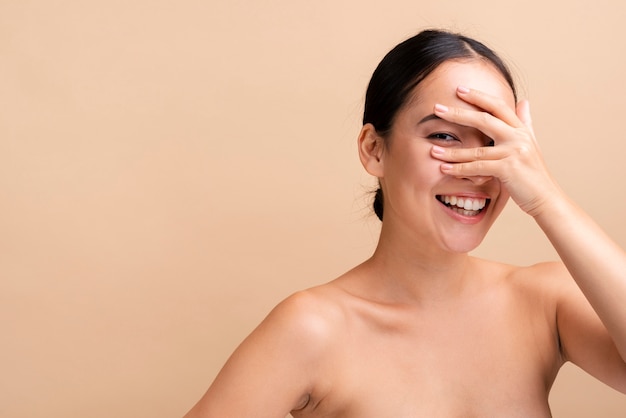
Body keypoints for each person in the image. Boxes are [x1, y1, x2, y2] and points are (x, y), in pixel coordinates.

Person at [183, 29, 626, 417]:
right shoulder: (311, 328)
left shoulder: (543, 303)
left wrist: (547, 198)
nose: (476, 170)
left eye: (495, 143)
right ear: (374, 149)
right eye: (443, 136)